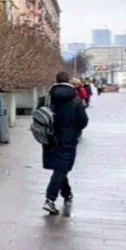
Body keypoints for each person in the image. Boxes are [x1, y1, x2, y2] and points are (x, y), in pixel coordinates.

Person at [43, 72, 89, 216]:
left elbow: (40, 116)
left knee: (60, 167)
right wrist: (74, 130)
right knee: (62, 168)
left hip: (49, 138)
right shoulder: (75, 100)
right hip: (68, 138)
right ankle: (50, 199)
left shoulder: (47, 98)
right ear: (68, 81)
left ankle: (67, 193)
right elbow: (83, 121)